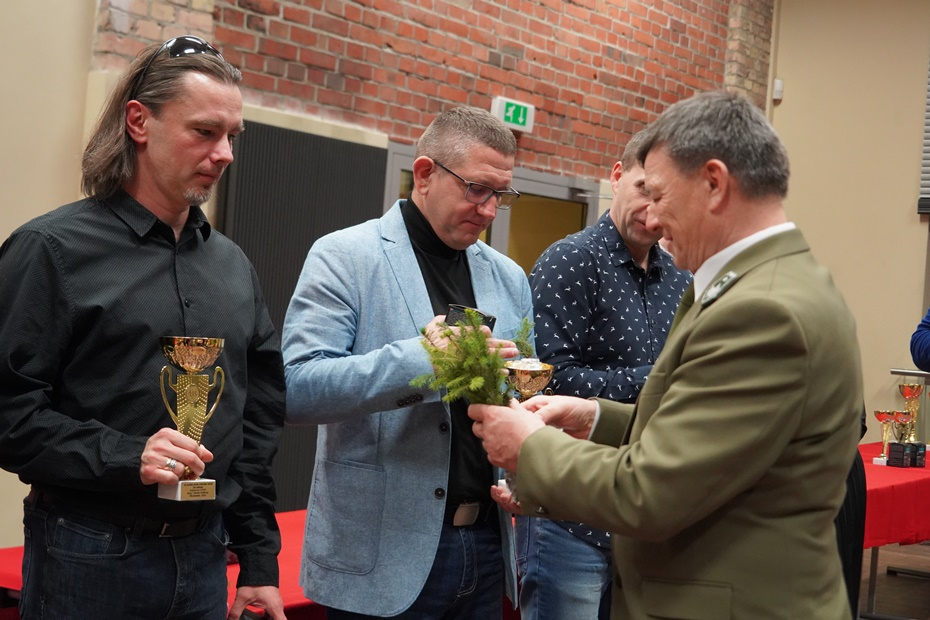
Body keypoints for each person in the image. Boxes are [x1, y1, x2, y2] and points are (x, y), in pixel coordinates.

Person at [469, 90, 864, 620]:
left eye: (658, 194)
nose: (652, 217)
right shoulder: (762, 284)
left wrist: (529, 447)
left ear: (714, 184)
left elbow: (649, 492)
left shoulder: (761, 310)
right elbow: (715, 436)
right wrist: (597, 417)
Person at [0, 36, 286, 620]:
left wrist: (258, 557)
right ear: (138, 122)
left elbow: (254, 421)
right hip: (89, 552)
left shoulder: (233, 266)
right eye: (204, 131)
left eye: (233, 136)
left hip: (206, 556)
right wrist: (127, 455)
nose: (225, 153)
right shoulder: (50, 250)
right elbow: (8, 413)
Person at [282, 106, 532, 618]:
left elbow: (523, 391)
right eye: (477, 189)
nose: (489, 210)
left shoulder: (508, 277)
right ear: (423, 174)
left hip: (487, 545)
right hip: (381, 552)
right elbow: (296, 389)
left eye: (501, 195)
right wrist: (423, 360)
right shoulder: (345, 256)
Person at [517, 130, 690, 619]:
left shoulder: (680, 278)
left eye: (664, 201)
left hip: (642, 507)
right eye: (643, 190)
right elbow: (545, 380)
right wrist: (655, 382)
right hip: (569, 515)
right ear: (616, 176)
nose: (652, 214)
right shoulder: (570, 260)